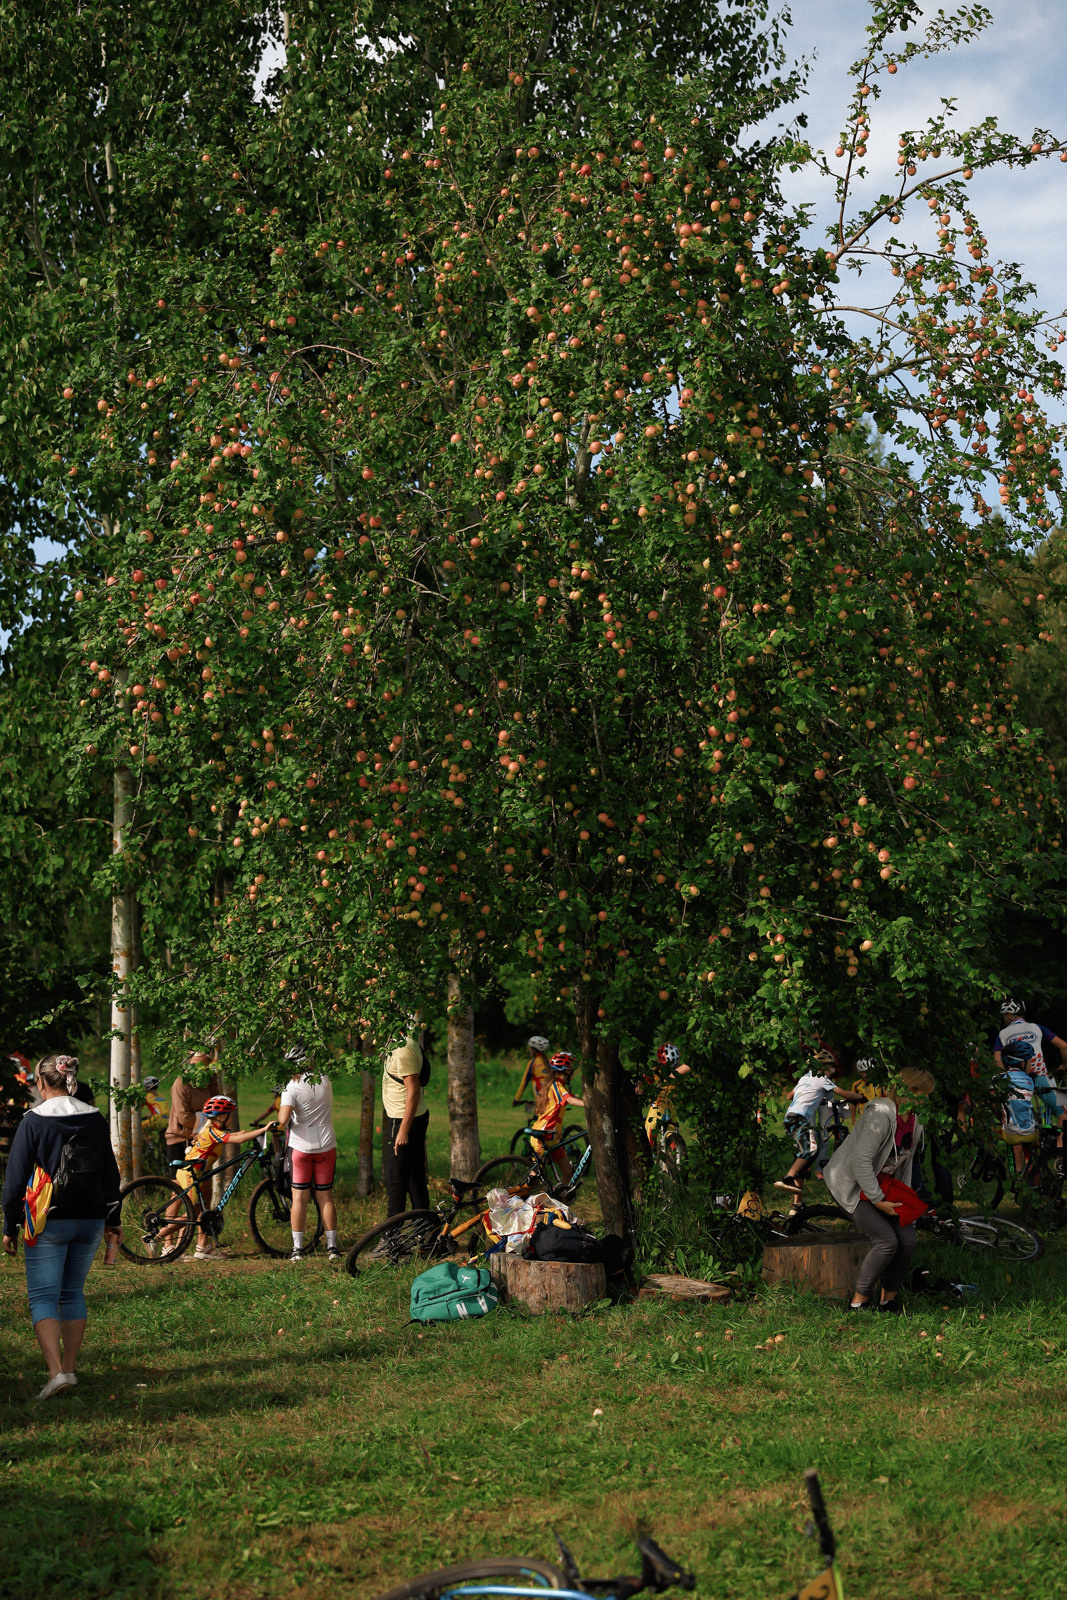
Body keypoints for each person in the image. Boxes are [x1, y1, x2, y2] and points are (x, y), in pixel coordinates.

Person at [1, 1053, 122, 1399]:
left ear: (40, 1082)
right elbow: (110, 1174)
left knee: (43, 1296)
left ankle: (56, 1373)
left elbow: (15, 1181)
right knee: (72, 1293)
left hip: (47, 1220)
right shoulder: (95, 1118)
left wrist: (10, 1224)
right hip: (91, 1219)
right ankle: (69, 1368)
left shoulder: (34, 1120)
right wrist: (113, 1219)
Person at [822, 1066, 935, 1314]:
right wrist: (879, 1200)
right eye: (923, 1093)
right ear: (909, 1090)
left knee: (907, 1240)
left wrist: (902, 1202)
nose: (927, 1099)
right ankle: (858, 1304)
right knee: (886, 1241)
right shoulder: (880, 1115)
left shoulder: (915, 1122)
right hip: (851, 1183)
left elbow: (905, 1166)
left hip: (880, 1185)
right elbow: (860, 1162)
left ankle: (887, 1302)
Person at [172, 1094, 268, 1260]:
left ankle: (197, 1248)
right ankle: (157, 1236)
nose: (233, 1118)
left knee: (201, 1212)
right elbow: (239, 1140)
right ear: (223, 1117)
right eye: (231, 1114)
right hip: (190, 1173)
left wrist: (249, 1132)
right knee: (191, 1215)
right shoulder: (213, 1132)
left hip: (199, 1173)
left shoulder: (215, 1130)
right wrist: (264, 1129)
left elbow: (238, 1135)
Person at [276, 1044, 340, 1263]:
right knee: (325, 1197)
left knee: (299, 1199)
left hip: (301, 1147)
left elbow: (283, 1119)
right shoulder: (325, 1080)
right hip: (326, 1145)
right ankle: (332, 1248)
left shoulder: (290, 1087)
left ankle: (298, 1249)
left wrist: (275, 1124)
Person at [775, 1051, 866, 1200]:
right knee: (811, 1150)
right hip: (800, 1119)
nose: (833, 1070)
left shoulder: (804, 1078)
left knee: (803, 1158)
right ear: (822, 1067)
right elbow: (846, 1095)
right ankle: (787, 1178)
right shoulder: (822, 1079)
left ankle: (796, 1205)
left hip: (790, 1118)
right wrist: (861, 1097)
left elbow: (789, 1096)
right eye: (830, 1067)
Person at [993, 999, 1067, 1145]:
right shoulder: (1036, 1027)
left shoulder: (1002, 1033)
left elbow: (997, 1061)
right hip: (1040, 1077)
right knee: (1063, 1115)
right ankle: (1059, 1152)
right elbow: (1064, 1046)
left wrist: (1005, 1078)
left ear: (1009, 1015)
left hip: (1016, 1080)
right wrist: (1065, 1066)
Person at [382, 1026, 429, 1216]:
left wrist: (403, 1130)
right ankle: (427, 1232)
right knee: (414, 1177)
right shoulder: (399, 1043)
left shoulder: (402, 1050)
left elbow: (414, 1090)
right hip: (410, 1116)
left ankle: (392, 1237)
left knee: (396, 1179)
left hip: (402, 1119)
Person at [531, 1051, 585, 1185]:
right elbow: (570, 1100)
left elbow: (572, 1098)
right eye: (571, 1071)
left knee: (568, 1172)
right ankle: (511, 1200)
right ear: (566, 1072)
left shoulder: (558, 1085)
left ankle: (559, 1200)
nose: (573, 1074)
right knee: (534, 1181)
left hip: (553, 1139)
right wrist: (590, 1104)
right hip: (542, 1136)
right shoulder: (556, 1085)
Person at [164, 1050, 221, 1176]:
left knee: (203, 1180)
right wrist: (206, 1122)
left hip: (202, 1138)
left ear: (208, 1064)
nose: (195, 1068)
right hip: (179, 1137)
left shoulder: (211, 1081)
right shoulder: (181, 1083)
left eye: (200, 1064)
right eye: (193, 1063)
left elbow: (217, 1109)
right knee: (178, 1184)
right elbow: (184, 1117)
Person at [514, 1036, 551, 1107]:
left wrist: (516, 1099)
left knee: (541, 1117)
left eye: (530, 1049)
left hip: (540, 1098)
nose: (530, 1051)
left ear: (534, 1050)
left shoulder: (533, 1063)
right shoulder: (549, 1062)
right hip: (552, 1098)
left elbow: (524, 1082)